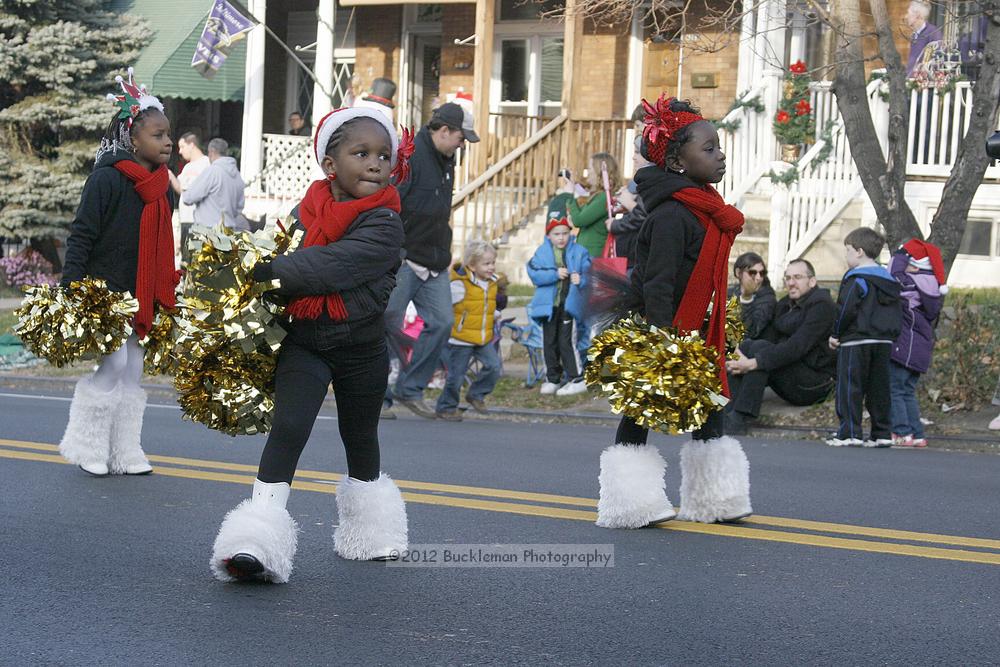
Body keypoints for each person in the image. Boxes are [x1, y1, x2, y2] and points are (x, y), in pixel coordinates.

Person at [210, 107, 411, 583]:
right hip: (307, 343)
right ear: (330, 164)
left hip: (362, 348)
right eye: (361, 153)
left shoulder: (386, 223)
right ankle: (254, 541)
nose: (376, 164)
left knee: (359, 437)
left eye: (383, 155)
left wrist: (262, 271)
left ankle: (370, 534)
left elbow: (326, 266)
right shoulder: (304, 211)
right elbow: (290, 256)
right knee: (289, 428)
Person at [596, 95, 752, 529]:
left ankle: (716, 499)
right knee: (641, 408)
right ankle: (629, 503)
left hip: (699, 325)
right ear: (678, 162)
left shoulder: (705, 207)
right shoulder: (670, 214)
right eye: (709, 149)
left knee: (709, 404)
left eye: (719, 146)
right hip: (660, 325)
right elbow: (658, 282)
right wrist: (663, 340)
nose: (720, 155)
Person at [58, 68, 177, 477]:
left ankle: (125, 451)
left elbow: (162, 244)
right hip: (104, 289)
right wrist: (71, 288)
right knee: (112, 365)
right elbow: (81, 235)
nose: (167, 141)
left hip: (142, 292)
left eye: (168, 134)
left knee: (134, 369)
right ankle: (86, 445)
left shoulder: (161, 187)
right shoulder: (107, 179)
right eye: (158, 135)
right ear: (133, 138)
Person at [383, 102, 479, 419]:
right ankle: (375, 397)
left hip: (435, 259)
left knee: (441, 323)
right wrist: (391, 251)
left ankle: (410, 389)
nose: (462, 144)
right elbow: (390, 204)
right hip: (405, 257)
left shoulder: (447, 159)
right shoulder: (409, 158)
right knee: (384, 324)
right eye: (460, 137)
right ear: (442, 131)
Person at [725, 259, 837, 433]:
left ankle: (741, 417)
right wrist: (739, 352)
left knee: (760, 352)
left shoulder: (822, 306)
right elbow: (767, 338)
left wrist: (754, 363)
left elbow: (797, 346)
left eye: (798, 277)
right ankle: (726, 410)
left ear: (812, 281)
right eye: (788, 278)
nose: (791, 283)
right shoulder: (785, 305)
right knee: (749, 347)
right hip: (791, 372)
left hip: (816, 383)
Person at [827, 227, 902, 448]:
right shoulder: (889, 281)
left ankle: (850, 431)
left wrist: (836, 333)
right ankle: (882, 432)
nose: (846, 255)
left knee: (850, 386)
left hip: (856, 340)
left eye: (848, 250)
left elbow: (846, 309)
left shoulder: (857, 278)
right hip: (883, 341)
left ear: (859, 251)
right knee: (879, 388)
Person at [435, 241, 507, 421]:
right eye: (486, 263)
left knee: (494, 367)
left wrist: (494, 313)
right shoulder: (459, 285)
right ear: (472, 266)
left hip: (482, 337)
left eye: (493, 262)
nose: (491, 267)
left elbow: (485, 305)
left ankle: (476, 394)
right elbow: (446, 304)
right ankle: (446, 407)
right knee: (456, 377)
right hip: (461, 339)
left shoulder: (491, 283)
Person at [888, 239, 947, 448]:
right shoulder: (931, 287)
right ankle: (917, 434)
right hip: (919, 350)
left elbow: (893, 274)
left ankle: (902, 432)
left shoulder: (911, 284)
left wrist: (902, 253)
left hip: (905, 347)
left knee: (895, 389)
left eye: (908, 264)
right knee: (907, 391)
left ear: (916, 266)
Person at [527, 218, 591, 396]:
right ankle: (553, 378)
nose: (561, 238)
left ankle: (576, 378)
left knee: (567, 341)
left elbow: (590, 273)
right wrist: (554, 274)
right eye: (556, 234)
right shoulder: (541, 252)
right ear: (549, 235)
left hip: (569, 305)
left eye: (565, 233)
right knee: (549, 342)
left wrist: (582, 279)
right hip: (549, 306)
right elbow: (534, 274)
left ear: (571, 233)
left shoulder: (580, 252)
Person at [559, 153, 619, 260]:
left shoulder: (604, 197)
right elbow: (579, 215)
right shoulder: (598, 195)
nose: (589, 171)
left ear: (599, 172)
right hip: (586, 253)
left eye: (591, 168)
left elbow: (579, 220)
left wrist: (569, 196)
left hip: (592, 255)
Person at [181, 138, 249, 231]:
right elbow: (239, 207)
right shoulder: (237, 176)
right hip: (230, 231)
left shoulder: (212, 171)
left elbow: (188, 198)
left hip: (209, 232)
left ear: (211, 152)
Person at [607, 136, 650, 269]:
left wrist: (615, 225)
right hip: (629, 257)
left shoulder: (649, 183)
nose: (633, 157)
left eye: (637, 152)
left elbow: (641, 216)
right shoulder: (639, 181)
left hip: (635, 259)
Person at [169, 132, 210, 255]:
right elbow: (181, 190)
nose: (180, 152)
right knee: (186, 260)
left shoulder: (207, 164)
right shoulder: (187, 167)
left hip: (199, 222)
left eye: (182, 147)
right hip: (185, 220)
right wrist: (170, 176)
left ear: (191, 145)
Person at [726, 252, 776, 340]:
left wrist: (747, 298)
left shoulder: (768, 297)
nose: (758, 278)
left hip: (753, 348)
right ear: (738, 273)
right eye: (753, 272)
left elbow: (752, 331)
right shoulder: (730, 292)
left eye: (762, 273)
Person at [905, 1, 943, 77]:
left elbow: (938, 59)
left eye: (909, 14)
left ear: (918, 16)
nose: (906, 16)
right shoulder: (915, 34)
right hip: (911, 79)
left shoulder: (933, 33)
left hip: (924, 82)